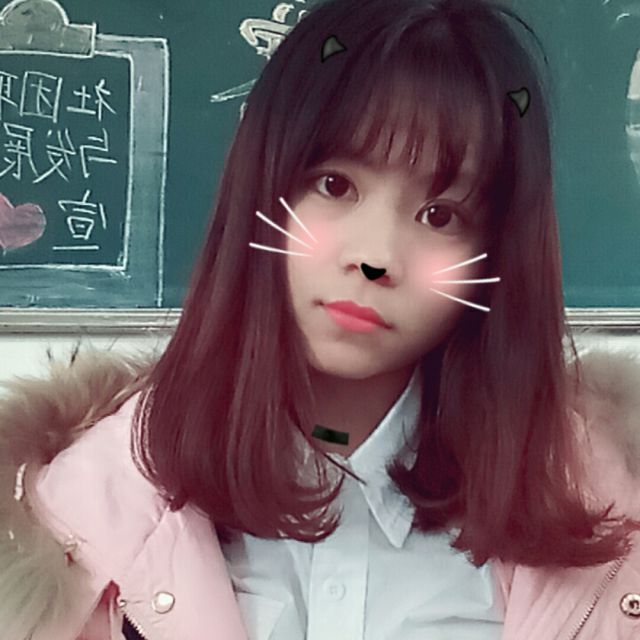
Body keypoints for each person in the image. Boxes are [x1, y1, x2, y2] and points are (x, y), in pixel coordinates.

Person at [2, 0, 640, 638]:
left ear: (496, 255)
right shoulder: (75, 523)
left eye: (440, 216)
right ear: (259, 189)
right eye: (335, 186)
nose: (375, 259)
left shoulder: (608, 527)